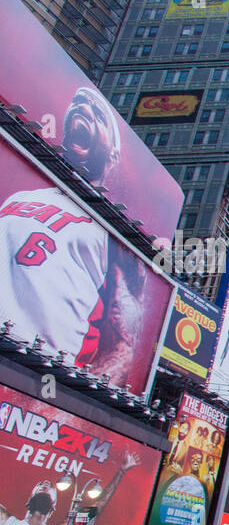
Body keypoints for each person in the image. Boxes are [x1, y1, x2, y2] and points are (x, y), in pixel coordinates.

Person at [0, 85, 148, 387]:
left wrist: (69, 393)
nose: (83, 108)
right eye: (78, 104)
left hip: (38, 370)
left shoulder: (116, 233)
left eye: (97, 114)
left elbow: (123, 341)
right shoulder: (20, 195)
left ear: (113, 154)